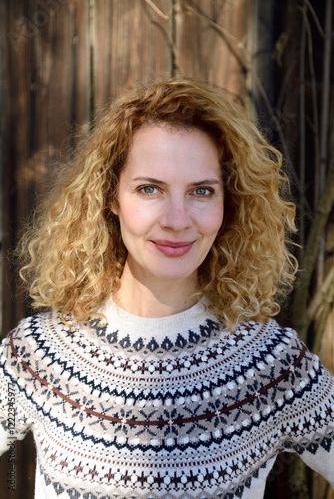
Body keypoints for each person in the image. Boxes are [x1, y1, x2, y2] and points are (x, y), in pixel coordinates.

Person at [0, 78, 333, 499]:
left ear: (227, 203)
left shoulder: (272, 365)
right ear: (111, 196)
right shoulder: (36, 354)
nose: (177, 219)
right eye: (149, 189)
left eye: (201, 191)